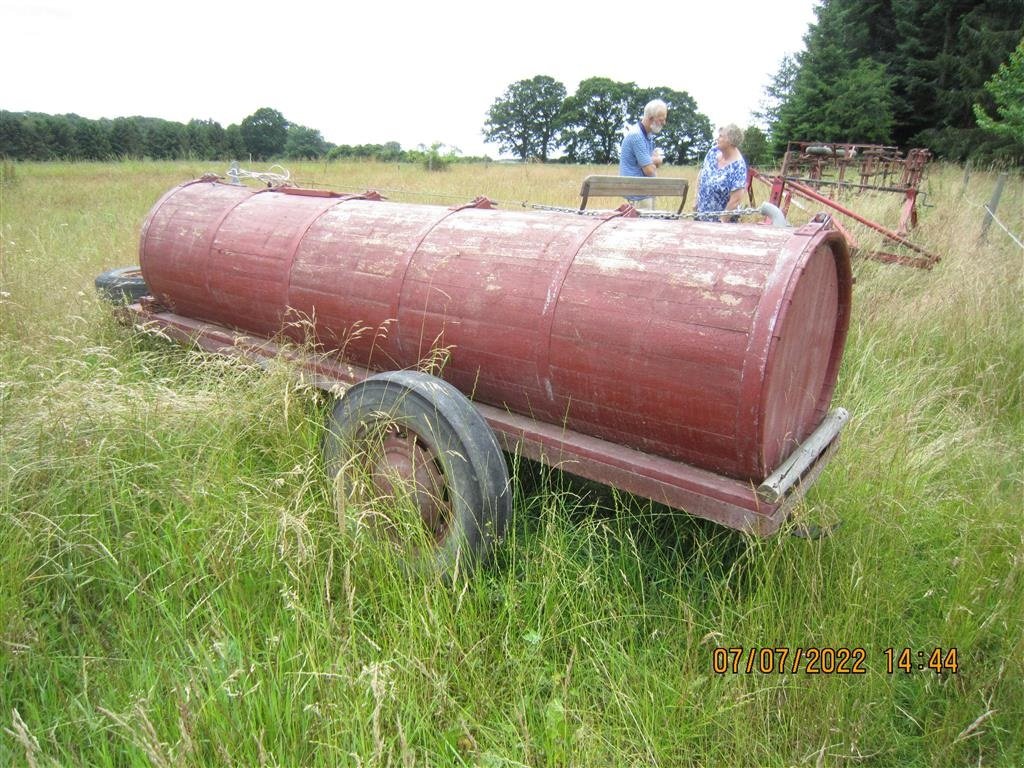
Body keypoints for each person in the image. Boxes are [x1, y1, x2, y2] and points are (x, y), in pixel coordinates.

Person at [618, 99, 668, 209]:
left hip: (645, 192)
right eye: (661, 120)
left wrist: (650, 161)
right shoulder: (637, 136)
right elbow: (649, 170)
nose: (664, 123)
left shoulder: (647, 135)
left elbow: (651, 166)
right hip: (639, 195)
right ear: (651, 119)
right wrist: (657, 160)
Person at [696, 125, 747, 222]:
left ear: (730, 140)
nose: (717, 139)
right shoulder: (713, 152)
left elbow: (736, 200)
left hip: (721, 225)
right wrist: (696, 201)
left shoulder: (738, 166)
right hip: (701, 217)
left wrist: (722, 221)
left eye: (721, 136)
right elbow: (702, 174)